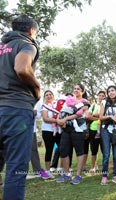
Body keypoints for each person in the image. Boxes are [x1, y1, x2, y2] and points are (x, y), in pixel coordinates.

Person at [0, 14, 40, 200]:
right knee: (16, 168)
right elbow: (22, 68)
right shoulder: (26, 44)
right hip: (16, 111)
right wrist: (37, 88)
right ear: (31, 30)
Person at [55, 83, 89, 185]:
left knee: (79, 151)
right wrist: (58, 120)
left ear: (82, 91)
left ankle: (78, 175)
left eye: (78, 89)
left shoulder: (85, 102)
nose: (76, 90)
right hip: (66, 129)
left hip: (78, 129)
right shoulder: (67, 101)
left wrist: (65, 119)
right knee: (63, 150)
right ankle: (66, 174)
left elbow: (78, 114)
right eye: (74, 88)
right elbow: (61, 112)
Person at [86, 91, 106, 173]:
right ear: (97, 96)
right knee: (94, 150)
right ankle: (93, 167)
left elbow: (105, 116)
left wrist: (95, 116)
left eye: (103, 96)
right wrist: (98, 117)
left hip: (104, 130)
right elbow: (88, 116)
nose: (101, 97)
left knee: (104, 150)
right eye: (100, 95)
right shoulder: (93, 105)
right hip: (93, 130)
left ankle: (105, 168)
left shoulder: (106, 106)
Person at [41, 90, 60, 179]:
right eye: (46, 95)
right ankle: (47, 172)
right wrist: (57, 120)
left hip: (58, 130)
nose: (49, 96)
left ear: (53, 96)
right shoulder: (44, 106)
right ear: (45, 97)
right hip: (47, 131)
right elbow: (45, 118)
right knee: (49, 150)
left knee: (62, 148)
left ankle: (62, 168)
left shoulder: (57, 105)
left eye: (50, 94)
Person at [32, 99, 50, 179]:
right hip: (16, 128)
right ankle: (17, 172)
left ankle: (37, 170)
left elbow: (39, 115)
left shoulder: (37, 100)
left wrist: (35, 113)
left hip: (31, 129)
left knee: (33, 150)